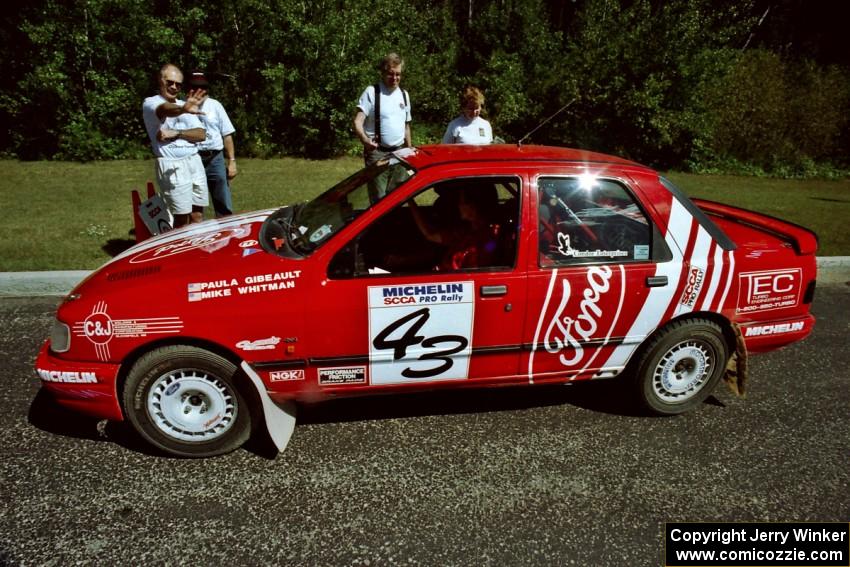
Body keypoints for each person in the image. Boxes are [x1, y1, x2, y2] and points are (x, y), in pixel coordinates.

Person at [142, 63, 208, 228]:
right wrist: (182, 110)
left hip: (194, 161)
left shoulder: (184, 104)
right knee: (181, 217)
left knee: (197, 214)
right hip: (171, 164)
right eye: (169, 82)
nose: (173, 87)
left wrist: (177, 133)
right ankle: (182, 249)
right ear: (160, 80)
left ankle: (197, 249)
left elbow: (201, 134)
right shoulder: (151, 103)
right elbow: (165, 109)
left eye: (178, 84)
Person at [408, 183, 502, 271]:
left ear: (473, 206)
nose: (458, 205)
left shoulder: (491, 238)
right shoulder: (465, 230)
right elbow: (431, 234)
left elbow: (477, 269)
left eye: (461, 201)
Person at [185, 70, 238, 218]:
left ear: (206, 90)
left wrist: (232, 161)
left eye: (201, 88)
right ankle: (197, 235)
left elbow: (226, 134)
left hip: (215, 158)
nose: (197, 91)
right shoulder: (182, 108)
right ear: (188, 89)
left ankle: (225, 232)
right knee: (195, 207)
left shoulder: (215, 106)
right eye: (193, 87)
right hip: (193, 158)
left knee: (223, 202)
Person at [353, 53, 412, 167]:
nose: (394, 78)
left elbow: (406, 127)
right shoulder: (372, 92)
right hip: (377, 154)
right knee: (378, 185)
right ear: (383, 73)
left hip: (400, 153)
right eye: (390, 74)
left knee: (402, 185)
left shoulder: (404, 95)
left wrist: (409, 150)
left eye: (398, 74)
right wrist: (365, 140)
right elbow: (357, 122)